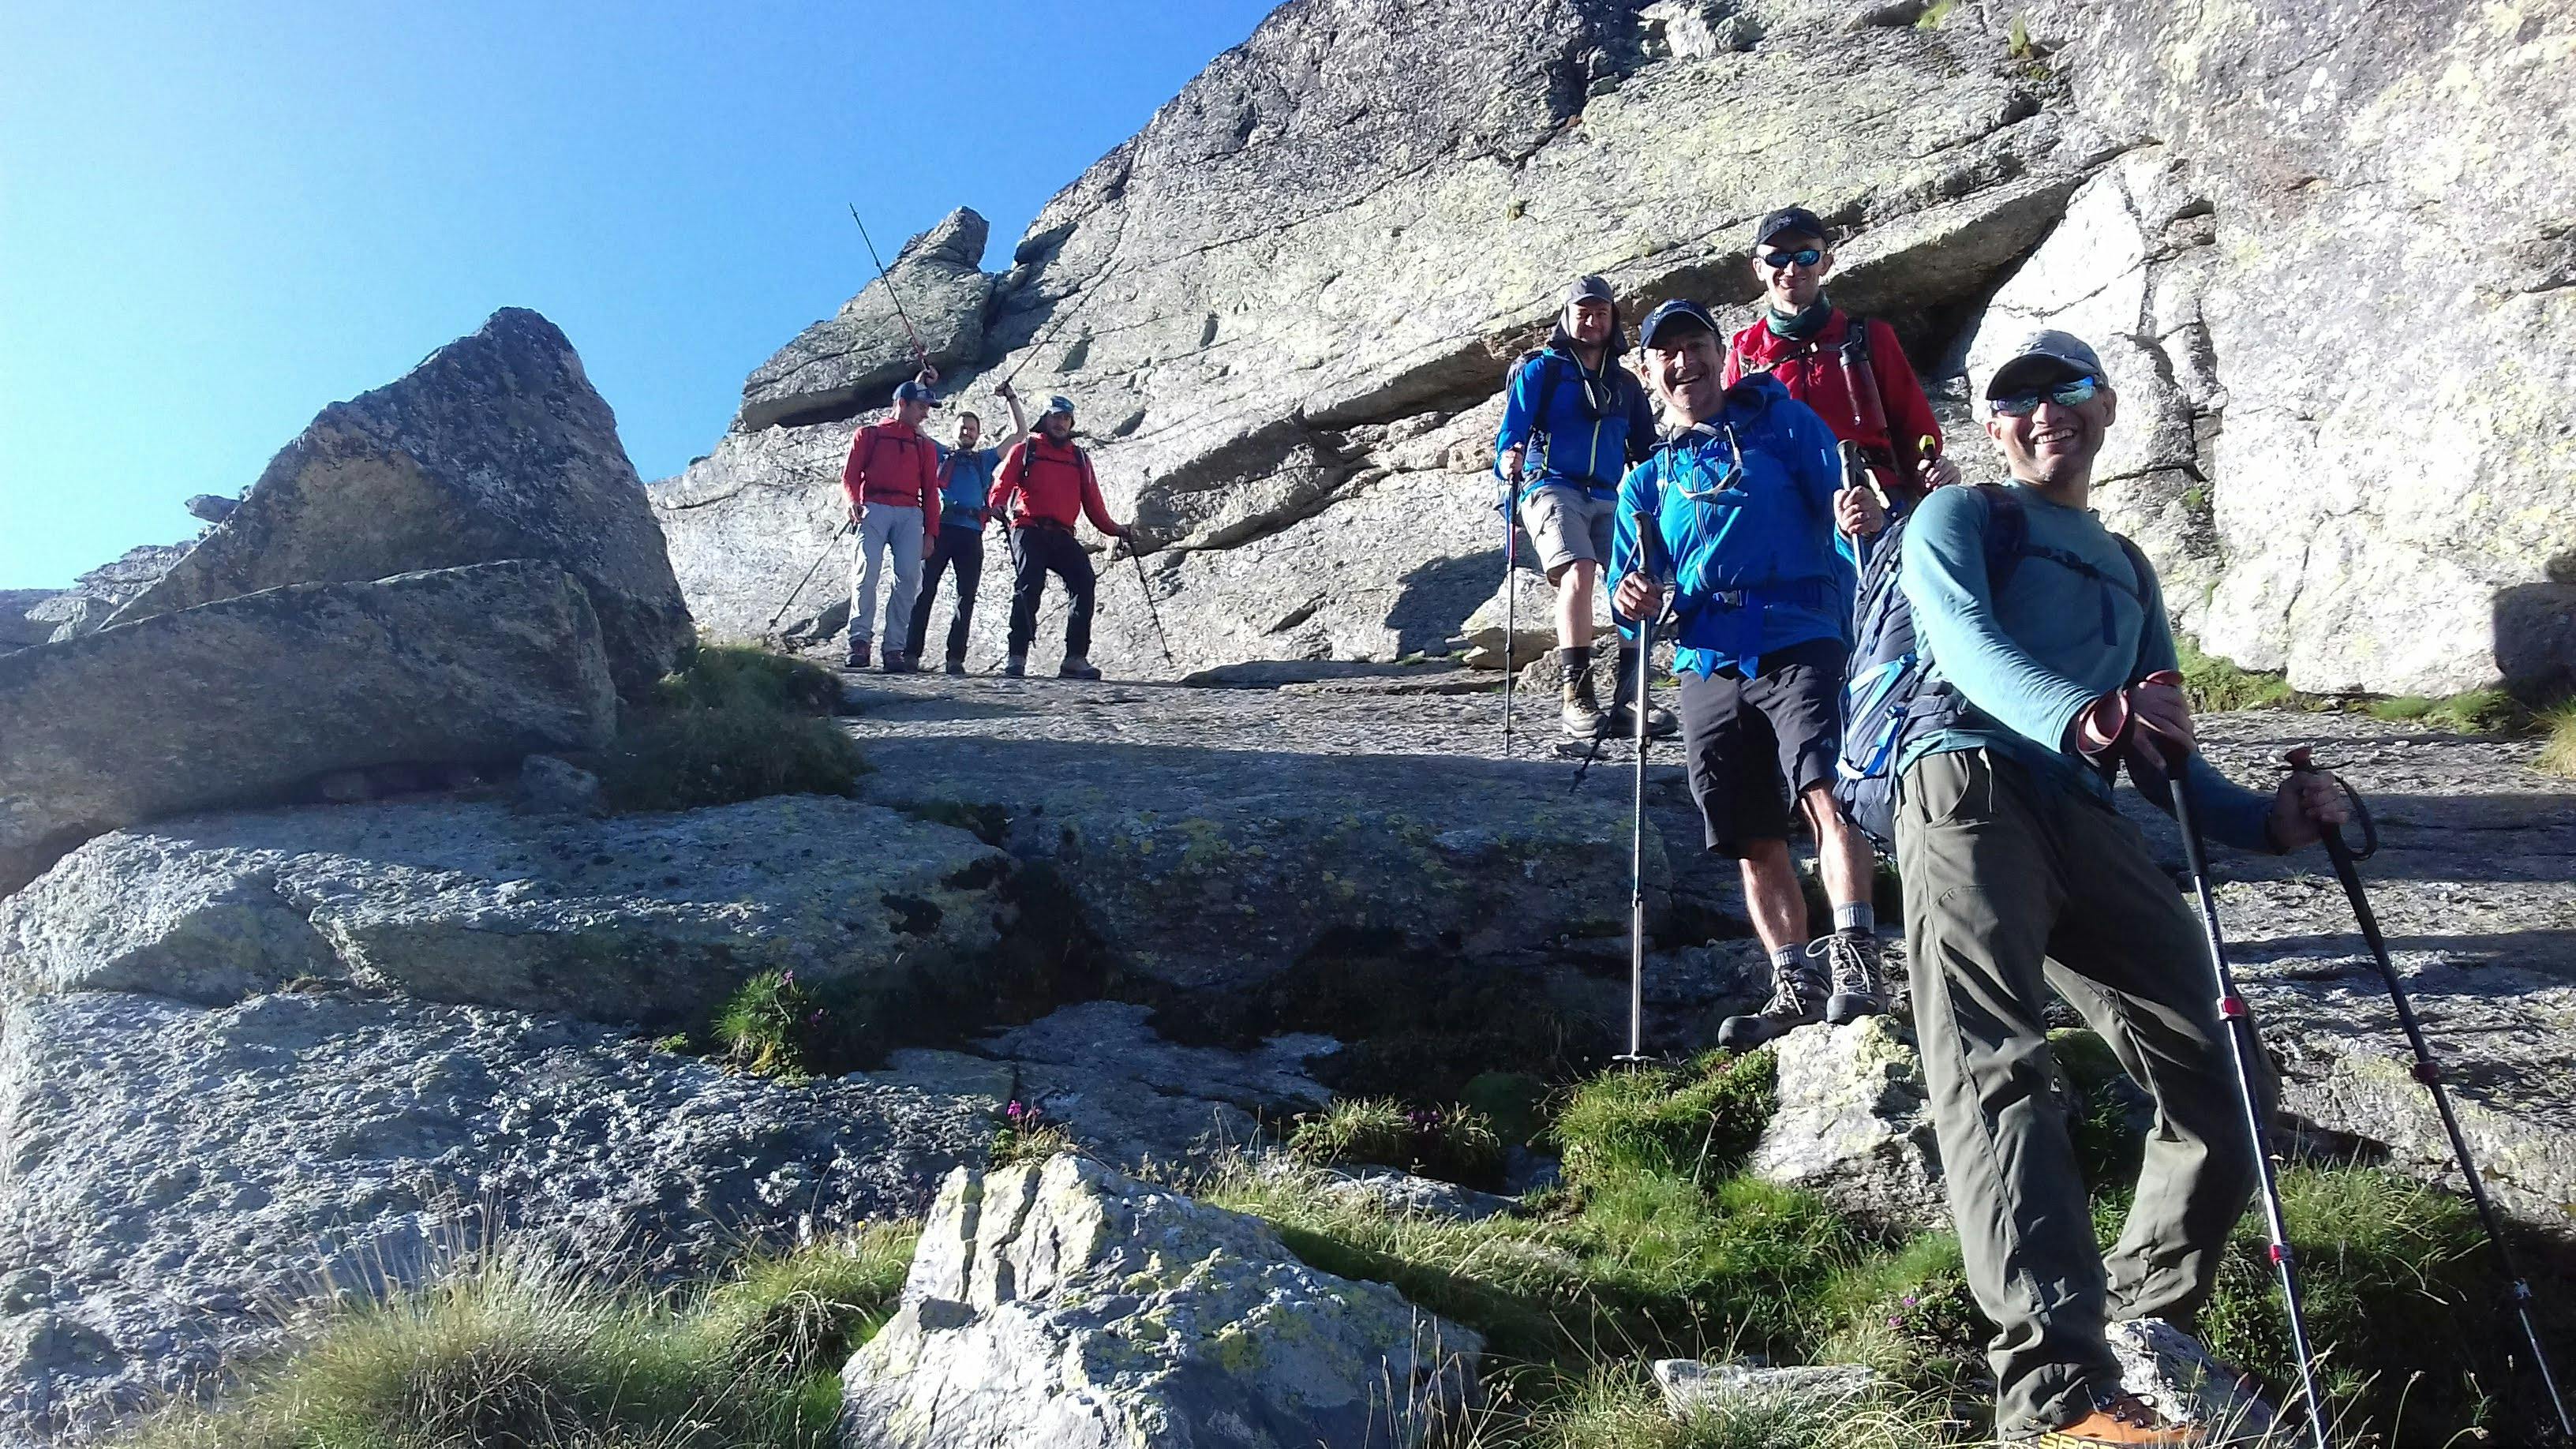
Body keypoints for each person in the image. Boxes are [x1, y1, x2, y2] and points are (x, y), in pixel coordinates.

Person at [1894, 330, 2348, 1447]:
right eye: (2018, 399)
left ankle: (2143, 1340)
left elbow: (2164, 751)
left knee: (2221, 1067)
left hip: (2084, 813)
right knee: (1996, 1061)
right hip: (1966, 780)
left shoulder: (2129, 565)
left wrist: (2266, 820)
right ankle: (2057, 1399)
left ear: (2107, 410)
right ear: (1992, 428)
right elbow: (1961, 645)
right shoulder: (1961, 517)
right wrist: (2083, 715)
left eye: (2072, 391)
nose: (2047, 411)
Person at [1609, 298, 1896, 1041]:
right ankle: (1794, 983)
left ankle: (1857, 960)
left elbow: (1839, 497)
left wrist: (1857, 513)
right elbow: (1630, 588)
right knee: (1747, 830)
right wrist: (1631, 596)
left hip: (1801, 631)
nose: (1684, 363)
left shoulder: (1784, 424)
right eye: (1666, 354)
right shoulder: (1647, 484)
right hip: (1708, 655)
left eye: (1695, 346)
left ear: (1720, 352)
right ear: (1648, 374)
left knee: (1825, 792)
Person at [1494, 275, 1672, 739]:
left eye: (1601, 312)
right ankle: (1577, 695)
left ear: (1612, 320)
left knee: (1633, 582)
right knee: (1580, 571)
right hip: (1550, 486)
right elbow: (1510, 435)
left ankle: (1631, 698)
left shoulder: (1625, 385)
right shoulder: (1542, 371)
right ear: (1566, 317)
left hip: (1609, 493)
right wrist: (1506, 461)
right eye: (1583, 312)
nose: (1592, 320)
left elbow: (1645, 447)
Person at [1724, 206, 1961, 509]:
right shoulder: (1744, 353)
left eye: (1806, 256)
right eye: (1777, 258)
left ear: (1826, 262)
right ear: (1759, 268)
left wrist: (1931, 473)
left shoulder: (1868, 338)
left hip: (1872, 501)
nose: (1792, 269)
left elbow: (1915, 426)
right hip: (1786, 509)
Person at [987, 394, 1134, 680]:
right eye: (1056, 417)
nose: (1060, 423)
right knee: (1030, 585)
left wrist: (1114, 529)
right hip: (1028, 527)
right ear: (1044, 419)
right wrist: (997, 503)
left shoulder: (1079, 457)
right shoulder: (1025, 448)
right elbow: (1002, 483)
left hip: (1063, 533)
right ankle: (1016, 657)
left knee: (1084, 581)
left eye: (1066, 418)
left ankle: (1075, 658)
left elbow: (1093, 502)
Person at [903, 381, 1029, 674]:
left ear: (978, 434)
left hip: (972, 533)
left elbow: (1020, 435)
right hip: (942, 528)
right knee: (925, 591)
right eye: (962, 428)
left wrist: (1011, 397)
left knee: (966, 596)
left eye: (971, 429)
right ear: (953, 431)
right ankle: (911, 653)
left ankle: (955, 658)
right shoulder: (938, 453)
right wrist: (921, 385)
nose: (966, 432)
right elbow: (912, 425)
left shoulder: (984, 460)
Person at [841, 373, 943, 672]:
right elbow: (849, 476)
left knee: (909, 579)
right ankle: (860, 642)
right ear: (902, 404)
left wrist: (931, 533)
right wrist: (852, 501)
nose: (925, 414)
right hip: (873, 506)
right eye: (921, 407)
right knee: (866, 573)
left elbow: (931, 490)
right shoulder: (868, 434)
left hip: (911, 511)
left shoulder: (923, 445)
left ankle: (894, 648)